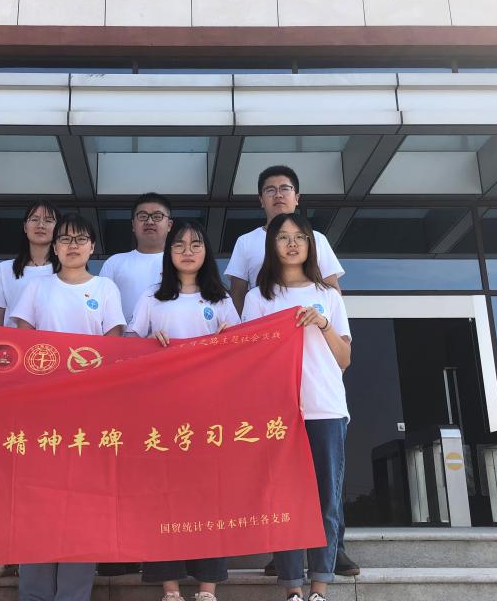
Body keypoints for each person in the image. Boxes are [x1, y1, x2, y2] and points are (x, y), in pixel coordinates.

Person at [11, 213, 126, 601]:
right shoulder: (37, 288)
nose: (72, 245)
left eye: (80, 239)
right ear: (55, 247)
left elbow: (113, 341)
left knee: (83, 503)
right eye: (65, 239)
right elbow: (24, 343)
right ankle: (34, 593)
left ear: (92, 246)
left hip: (90, 411)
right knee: (38, 499)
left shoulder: (105, 287)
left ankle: (73, 594)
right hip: (43, 409)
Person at [241, 214, 352, 601]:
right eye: (283, 237)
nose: (292, 244)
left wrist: (322, 324)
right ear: (271, 245)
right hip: (278, 413)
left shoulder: (329, 296)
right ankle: (291, 588)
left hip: (325, 408)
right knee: (282, 500)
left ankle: (319, 587)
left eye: (300, 237)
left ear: (310, 245)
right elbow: (247, 358)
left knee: (326, 500)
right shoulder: (258, 298)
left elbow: (344, 358)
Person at [128, 218, 239, 601]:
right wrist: (148, 341)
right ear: (168, 253)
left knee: (210, 495)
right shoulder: (152, 297)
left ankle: (207, 587)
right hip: (162, 413)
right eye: (179, 245)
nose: (187, 251)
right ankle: (171, 588)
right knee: (163, 495)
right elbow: (129, 344)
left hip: (209, 413)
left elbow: (243, 351)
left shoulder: (220, 299)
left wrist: (228, 343)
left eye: (195, 244)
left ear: (206, 252)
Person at [0, 201, 60, 580]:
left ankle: (48, 549)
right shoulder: (4, 271)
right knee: (10, 465)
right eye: (34, 219)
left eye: (49, 219)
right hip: (15, 378)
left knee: (49, 466)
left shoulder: (67, 271)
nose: (41, 225)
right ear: (24, 227)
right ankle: (3, 551)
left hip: (59, 382)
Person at [225, 166, 343, 316]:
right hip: (265, 322)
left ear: (297, 198)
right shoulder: (245, 241)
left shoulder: (317, 238)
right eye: (270, 190)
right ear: (261, 200)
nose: (278, 195)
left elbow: (332, 288)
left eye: (285, 189)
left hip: (312, 322)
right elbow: (237, 293)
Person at [100, 192, 174, 322]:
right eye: (143, 216)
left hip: (171, 334)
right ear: (133, 225)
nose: (149, 221)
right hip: (125, 335)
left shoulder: (179, 262)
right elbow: (101, 307)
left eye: (157, 216)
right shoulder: (114, 262)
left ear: (169, 225)